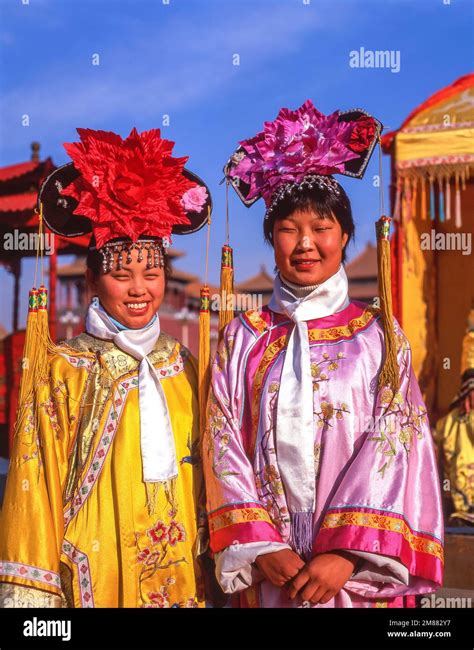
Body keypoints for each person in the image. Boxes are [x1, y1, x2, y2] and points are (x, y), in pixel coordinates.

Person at [203, 101, 444, 608]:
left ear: (346, 236)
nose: (306, 244)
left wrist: (347, 553)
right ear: (271, 238)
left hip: (355, 578)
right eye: (290, 228)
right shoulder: (242, 339)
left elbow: (398, 445)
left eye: (322, 227)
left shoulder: (378, 336)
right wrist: (261, 544)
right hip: (272, 573)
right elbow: (220, 440)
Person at [0, 127, 213, 608]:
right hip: (93, 574)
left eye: (152, 274)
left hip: (182, 575)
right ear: (93, 280)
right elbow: (34, 490)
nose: (139, 289)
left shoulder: (183, 367)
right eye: (121, 275)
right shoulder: (63, 370)